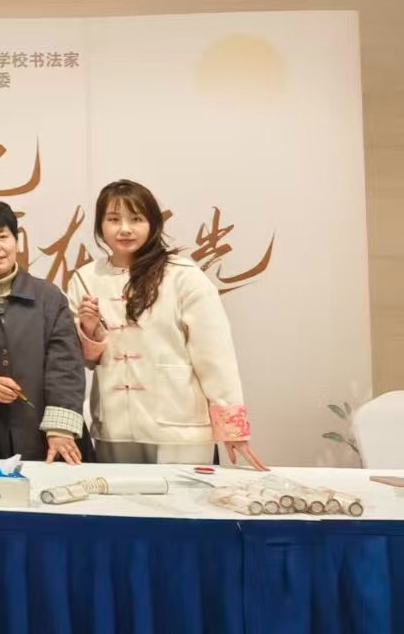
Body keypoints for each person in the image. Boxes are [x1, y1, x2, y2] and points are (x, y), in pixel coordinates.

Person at [67, 180, 267, 469]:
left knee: (185, 495)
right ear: (100, 226)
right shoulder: (86, 278)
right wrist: (90, 330)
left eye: (136, 219)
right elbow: (83, 361)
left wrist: (231, 427)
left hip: (180, 425)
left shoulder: (182, 275)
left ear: (153, 223)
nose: (125, 229)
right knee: (122, 496)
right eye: (113, 219)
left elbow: (215, 355)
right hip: (115, 425)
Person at [0, 201, 87, 464]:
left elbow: (66, 364)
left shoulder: (48, 296)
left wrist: (60, 429)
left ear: (15, 241)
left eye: (2, 236)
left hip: (47, 436)